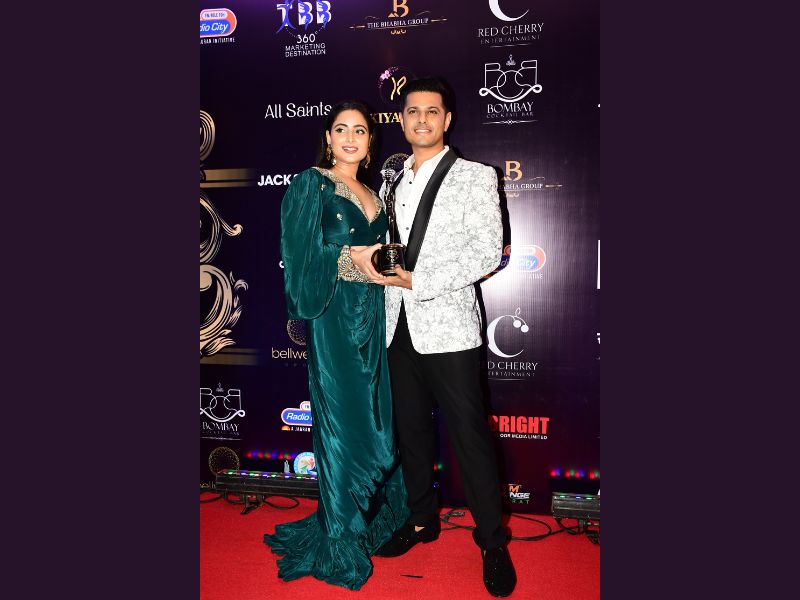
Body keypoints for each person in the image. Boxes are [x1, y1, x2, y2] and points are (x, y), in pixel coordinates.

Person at [350, 78, 517, 597]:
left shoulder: (475, 176)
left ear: (447, 120)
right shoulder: (391, 181)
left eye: (431, 111)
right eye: (412, 111)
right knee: (412, 433)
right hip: (396, 326)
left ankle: (492, 542)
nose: (421, 119)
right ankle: (422, 518)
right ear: (401, 120)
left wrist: (416, 281)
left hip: (449, 327)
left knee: (470, 436)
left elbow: (486, 251)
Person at [263, 101, 409, 591]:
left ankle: (368, 519)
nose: (350, 137)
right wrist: (351, 259)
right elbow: (298, 254)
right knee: (343, 424)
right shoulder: (312, 184)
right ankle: (341, 536)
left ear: (370, 142)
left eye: (360, 130)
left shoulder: (375, 193)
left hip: (375, 315)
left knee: (377, 425)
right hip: (333, 313)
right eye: (341, 129)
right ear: (328, 138)